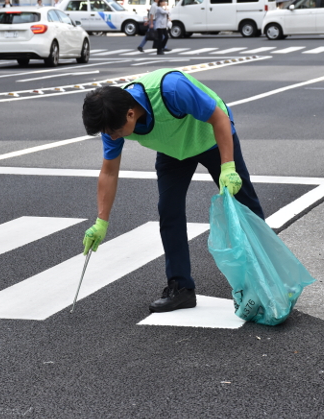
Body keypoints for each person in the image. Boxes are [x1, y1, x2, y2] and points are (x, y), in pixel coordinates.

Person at [81, 69, 264, 313]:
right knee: (169, 210)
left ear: (131, 113)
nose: (111, 137)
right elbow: (109, 172)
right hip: (173, 151)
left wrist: (228, 166)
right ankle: (181, 288)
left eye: (113, 132)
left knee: (244, 203)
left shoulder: (171, 90)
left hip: (210, 137)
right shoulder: (112, 120)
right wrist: (101, 221)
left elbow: (219, 118)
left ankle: (267, 274)